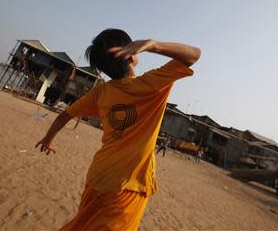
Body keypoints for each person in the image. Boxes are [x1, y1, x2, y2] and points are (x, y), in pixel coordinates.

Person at [35, 29, 200, 231]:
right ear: (131, 55)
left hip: (96, 179)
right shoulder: (151, 84)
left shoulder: (101, 93)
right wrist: (153, 45)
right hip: (127, 185)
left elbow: (65, 115)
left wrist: (48, 139)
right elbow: (193, 55)